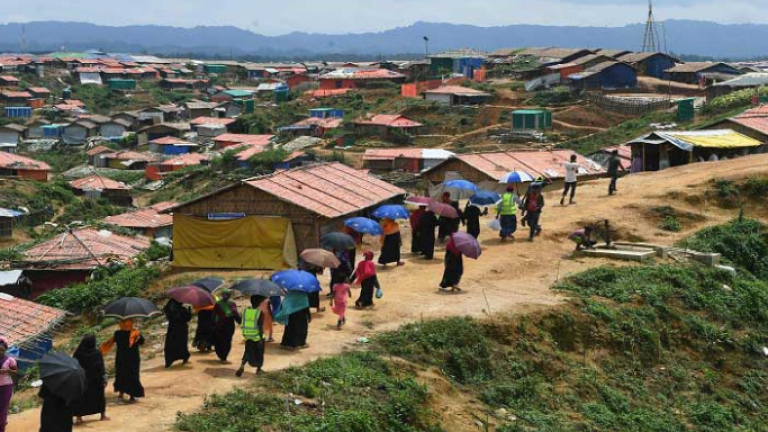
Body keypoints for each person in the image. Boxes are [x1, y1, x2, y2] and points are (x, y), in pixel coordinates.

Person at [71, 335, 108, 424]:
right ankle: (102, 415)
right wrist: (104, 378)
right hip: (96, 380)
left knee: (81, 398)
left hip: (82, 380)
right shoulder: (97, 353)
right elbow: (101, 366)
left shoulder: (78, 354)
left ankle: (79, 418)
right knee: (99, 397)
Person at [108, 320, 144, 403]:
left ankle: (121, 394)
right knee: (132, 375)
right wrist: (137, 332)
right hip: (133, 359)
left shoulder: (117, 333)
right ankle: (132, 396)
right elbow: (142, 342)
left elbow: (116, 340)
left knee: (121, 375)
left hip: (121, 358)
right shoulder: (135, 333)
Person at [236, 296, 266, 377]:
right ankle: (259, 369)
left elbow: (242, 322)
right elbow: (260, 326)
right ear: (260, 303)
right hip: (257, 336)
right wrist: (261, 337)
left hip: (248, 335)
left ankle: (242, 366)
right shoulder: (259, 313)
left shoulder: (245, 311)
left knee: (248, 351)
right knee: (259, 353)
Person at [212, 289, 241, 363]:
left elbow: (213, 315)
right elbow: (235, 314)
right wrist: (241, 322)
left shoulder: (218, 303)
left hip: (219, 324)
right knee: (227, 341)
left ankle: (220, 355)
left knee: (219, 340)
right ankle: (224, 357)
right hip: (228, 324)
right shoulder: (232, 303)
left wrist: (213, 324)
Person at [163, 298, 192, 368]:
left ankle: (168, 361)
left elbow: (168, 315)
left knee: (170, 345)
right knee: (182, 344)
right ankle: (185, 357)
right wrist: (189, 310)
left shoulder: (168, 309)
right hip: (182, 330)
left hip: (172, 330)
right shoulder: (182, 310)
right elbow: (188, 318)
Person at [0, 337, 18, 432]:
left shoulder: (10, 360)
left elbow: (15, 372)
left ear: (5, 350)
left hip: (6, 387)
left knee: (3, 409)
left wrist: (7, 370)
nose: (0, 352)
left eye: (2, 350)